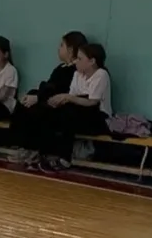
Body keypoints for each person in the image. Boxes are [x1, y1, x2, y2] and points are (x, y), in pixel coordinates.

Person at [19, 42, 112, 173]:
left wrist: (67, 97)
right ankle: (43, 152)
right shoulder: (77, 74)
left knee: (69, 113)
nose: (76, 61)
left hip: (98, 117)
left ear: (92, 61)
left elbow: (92, 102)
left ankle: (65, 158)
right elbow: (71, 96)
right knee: (49, 111)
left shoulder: (101, 74)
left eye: (80, 59)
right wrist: (56, 101)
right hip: (77, 111)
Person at [11, 30, 85, 169]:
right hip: (49, 99)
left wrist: (38, 98)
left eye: (61, 45)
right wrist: (36, 95)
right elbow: (49, 86)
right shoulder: (60, 68)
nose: (58, 48)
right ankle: (23, 146)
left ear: (70, 50)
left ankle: (36, 150)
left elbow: (60, 90)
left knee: (39, 111)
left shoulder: (75, 70)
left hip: (61, 105)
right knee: (26, 101)